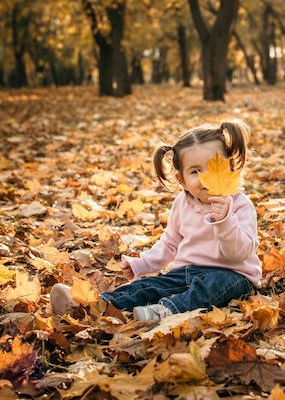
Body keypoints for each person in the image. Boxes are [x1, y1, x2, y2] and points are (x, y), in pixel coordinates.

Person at [50, 118, 262, 322]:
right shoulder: (182, 203)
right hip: (186, 271)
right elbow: (170, 243)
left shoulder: (240, 205)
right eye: (196, 171)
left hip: (232, 276)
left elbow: (239, 254)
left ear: (231, 168)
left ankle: (165, 312)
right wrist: (143, 263)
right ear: (182, 180)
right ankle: (95, 305)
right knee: (151, 285)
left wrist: (225, 220)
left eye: (214, 168)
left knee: (213, 287)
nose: (206, 178)